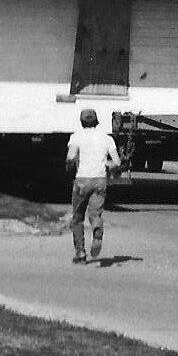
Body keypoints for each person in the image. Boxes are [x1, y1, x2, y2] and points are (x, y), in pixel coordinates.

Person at [66, 108, 123, 264]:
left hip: (82, 180)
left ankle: (80, 253)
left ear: (81, 121)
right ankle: (97, 231)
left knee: (77, 217)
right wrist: (106, 163)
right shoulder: (107, 139)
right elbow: (117, 162)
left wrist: (69, 168)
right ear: (97, 121)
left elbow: (71, 157)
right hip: (100, 180)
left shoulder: (76, 137)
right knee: (95, 214)